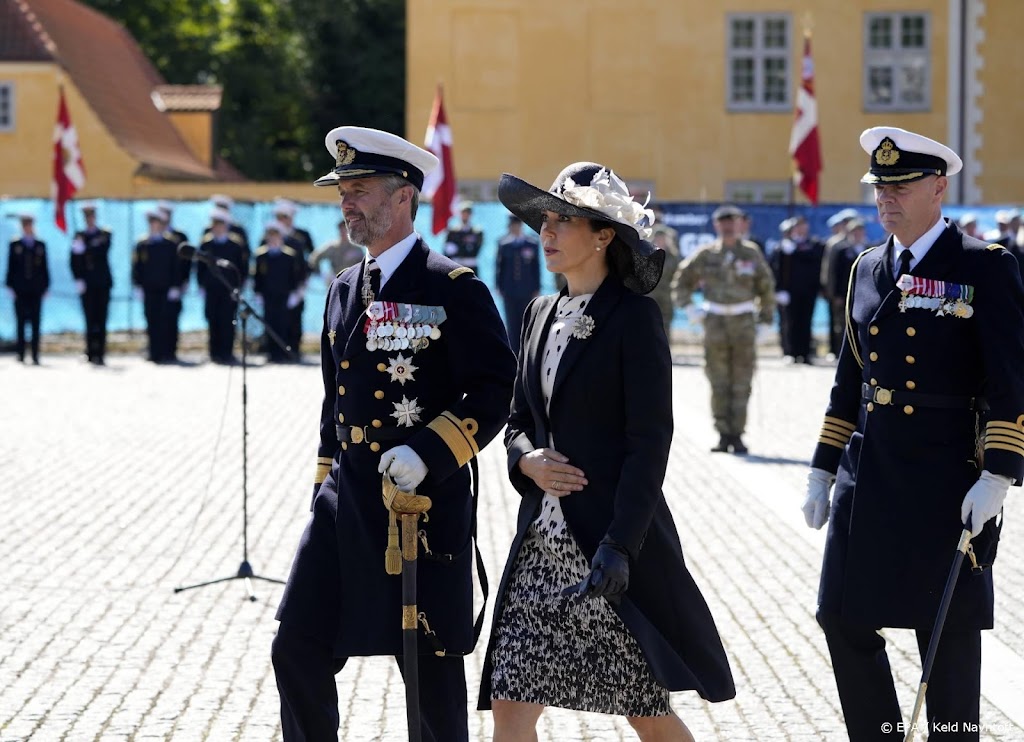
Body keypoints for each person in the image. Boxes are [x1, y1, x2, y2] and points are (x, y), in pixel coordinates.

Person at [271, 126, 516, 742]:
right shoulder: (342, 289)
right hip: (345, 500)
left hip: (419, 506)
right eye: (342, 192)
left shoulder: (451, 287)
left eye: (359, 189)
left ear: (404, 195)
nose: (346, 203)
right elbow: (333, 400)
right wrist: (322, 486)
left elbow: (494, 388)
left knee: (429, 674)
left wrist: (429, 451)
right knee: (296, 645)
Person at [479, 162, 735, 741]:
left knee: (645, 711)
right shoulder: (537, 313)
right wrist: (525, 460)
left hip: (605, 547)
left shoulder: (634, 317)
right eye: (545, 219)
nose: (547, 231)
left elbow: (650, 442)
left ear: (603, 236)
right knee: (510, 701)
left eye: (564, 221)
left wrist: (620, 545)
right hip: (540, 544)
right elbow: (518, 421)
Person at [802, 126, 1024, 741]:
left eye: (900, 186)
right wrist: (822, 467)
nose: (886, 198)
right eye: (880, 187)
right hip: (869, 471)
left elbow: (1011, 379)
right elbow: (850, 378)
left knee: (945, 632)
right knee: (840, 615)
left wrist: (999, 475)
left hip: (945, 475)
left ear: (938, 188)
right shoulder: (866, 267)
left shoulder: (984, 266)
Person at [672, 204, 776, 453]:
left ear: (740, 224)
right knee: (717, 380)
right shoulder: (706, 254)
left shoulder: (750, 253)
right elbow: (681, 282)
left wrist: (766, 321)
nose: (729, 227)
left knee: (742, 381)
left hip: (743, 324)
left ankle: (737, 434)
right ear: (716, 225)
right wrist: (690, 308)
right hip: (715, 323)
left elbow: (766, 287)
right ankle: (722, 433)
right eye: (724, 222)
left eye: (733, 222)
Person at [132, 208, 186, 363]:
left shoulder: (171, 244)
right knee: (151, 319)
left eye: (156, 223)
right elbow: (137, 266)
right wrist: (137, 285)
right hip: (149, 288)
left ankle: (166, 352)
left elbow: (176, 267)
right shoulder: (142, 244)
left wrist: (176, 286)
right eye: (151, 223)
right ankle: (153, 352)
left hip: (165, 288)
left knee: (165, 320)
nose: (153, 226)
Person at [197, 207, 248, 364]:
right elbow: (199, 267)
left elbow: (242, 268)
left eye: (220, 224)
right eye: (215, 224)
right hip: (211, 289)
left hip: (229, 290)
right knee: (213, 320)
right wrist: (201, 286)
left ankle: (227, 353)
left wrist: (239, 287)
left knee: (228, 321)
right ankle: (214, 353)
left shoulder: (235, 245)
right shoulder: (206, 244)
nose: (217, 228)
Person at [770, 214, 823, 363]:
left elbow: (816, 261)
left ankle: (805, 353)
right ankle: (790, 352)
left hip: (808, 291)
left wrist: (797, 251)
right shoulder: (782, 246)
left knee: (806, 322)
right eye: (797, 226)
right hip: (789, 291)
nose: (800, 228)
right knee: (789, 322)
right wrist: (779, 289)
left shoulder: (814, 244)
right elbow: (777, 269)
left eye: (803, 225)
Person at [252, 220, 303, 363]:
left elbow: (294, 276)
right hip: (267, 295)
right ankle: (270, 352)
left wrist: (294, 293)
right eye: (270, 236)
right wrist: (257, 292)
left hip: (283, 295)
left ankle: (283, 352)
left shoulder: (289, 255)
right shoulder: (261, 255)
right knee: (269, 323)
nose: (273, 239)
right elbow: (257, 276)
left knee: (283, 323)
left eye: (276, 235)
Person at [70, 202, 113, 365]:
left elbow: (102, 250)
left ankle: (100, 353)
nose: (90, 219)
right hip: (87, 284)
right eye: (87, 217)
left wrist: (85, 247)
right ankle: (90, 351)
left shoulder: (104, 233)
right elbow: (74, 261)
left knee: (101, 319)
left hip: (102, 283)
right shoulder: (78, 236)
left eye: (92, 216)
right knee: (89, 318)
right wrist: (78, 278)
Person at [271, 198, 314, 355]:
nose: (282, 220)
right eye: (279, 217)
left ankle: (294, 350)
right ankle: (276, 351)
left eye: (285, 217)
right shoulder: (271, 234)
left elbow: (311, 259)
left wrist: (303, 285)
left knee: (295, 318)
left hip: (297, 284)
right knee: (275, 319)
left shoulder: (302, 235)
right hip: (277, 285)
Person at [5, 212, 49, 364]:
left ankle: (35, 355)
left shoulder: (40, 244)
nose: (27, 227)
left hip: (36, 289)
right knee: (21, 322)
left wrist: (46, 286)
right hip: (20, 289)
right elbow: (11, 266)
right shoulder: (15, 244)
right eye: (25, 225)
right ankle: (21, 354)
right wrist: (10, 285)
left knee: (36, 323)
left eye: (29, 224)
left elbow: (44, 268)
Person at [494, 214, 540, 353]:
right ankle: (514, 353)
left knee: (527, 321)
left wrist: (537, 287)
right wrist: (499, 286)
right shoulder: (504, 244)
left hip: (527, 289)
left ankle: (527, 351)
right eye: (512, 225)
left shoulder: (531, 243)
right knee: (511, 323)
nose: (515, 227)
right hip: (509, 290)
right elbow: (499, 267)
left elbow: (536, 267)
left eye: (517, 225)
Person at [820, 208, 859, 359]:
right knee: (835, 321)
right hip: (837, 290)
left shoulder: (857, 242)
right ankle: (833, 349)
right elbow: (829, 269)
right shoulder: (835, 243)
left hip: (852, 291)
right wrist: (830, 290)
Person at [649, 224, 682, 338]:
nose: (660, 241)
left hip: (667, 296)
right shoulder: (647, 255)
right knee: (648, 323)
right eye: (658, 238)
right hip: (651, 295)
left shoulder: (674, 257)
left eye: (663, 238)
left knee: (665, 324)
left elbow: (679, 277)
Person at [444, 200, 485, 270]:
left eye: (468, 213)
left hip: (471, 266)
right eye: (463, 212)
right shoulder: (453, 232)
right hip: (456, 265)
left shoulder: (477, 232)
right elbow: (448, 250)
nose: (465, 215)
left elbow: (476, 249)